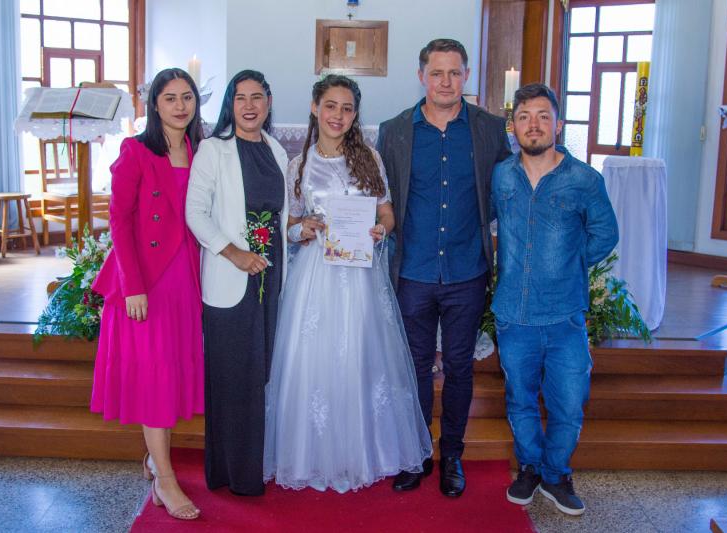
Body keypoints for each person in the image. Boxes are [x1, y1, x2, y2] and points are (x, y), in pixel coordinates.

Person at [263, 74, 432, 493]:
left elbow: (387, 214)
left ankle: (363, 451)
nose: (338, 115)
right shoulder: (298, 166)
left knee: (361, 358)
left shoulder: (369, 158)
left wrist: (381, 230)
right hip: (316, 278)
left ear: (356, 114)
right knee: (315, 361)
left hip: (361, 278)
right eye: (331, 106)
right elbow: (287, 225)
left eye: (347, 108)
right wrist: (307, 227)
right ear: (314, 107)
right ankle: (311, 454)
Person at [376, 38, 512, 497]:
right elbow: (380, 196)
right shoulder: (394, 130)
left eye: (454, 73)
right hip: (412, 269)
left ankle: (452, 453)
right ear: (421, 76)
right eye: (437, 73)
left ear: (466, 76)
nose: (445, 81)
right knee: (412, 366)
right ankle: (415, 455)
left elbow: (511, 189)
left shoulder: (490, 129)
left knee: (458, 366)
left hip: (466, 269)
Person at [491, 83, 618, 516]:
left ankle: (556, 474)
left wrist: (569, 265)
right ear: (513, 127)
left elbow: (606, 233)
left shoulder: (584, 179)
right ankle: (529, 467)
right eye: (524, 116)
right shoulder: (502, 175)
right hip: (513, 314)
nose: (534, 125)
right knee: (520, 400)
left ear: (558, 123)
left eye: (543, 116)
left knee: (568, 402)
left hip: (564, 316)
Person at [90, 68, 205, 520]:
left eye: (187, 97)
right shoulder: (136, 151)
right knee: (156, 378)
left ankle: (155, 461)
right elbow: (119, 220)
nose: (180, 105)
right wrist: (133, 285)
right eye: (170, 97)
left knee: (171, 374)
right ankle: (166, 477)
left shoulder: (200, 150)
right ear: (154, 104)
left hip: (187, 282)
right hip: (146, 284)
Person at [185, 70, 289, 496]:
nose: (249, 106)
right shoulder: (213, 150)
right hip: (231, 275)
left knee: (259, 374)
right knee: (231, 376)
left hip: (271, 275)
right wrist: (234, 253)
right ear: (230, 104)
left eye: (257, 97)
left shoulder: (278, 151)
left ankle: (254, 467)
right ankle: (229, 472)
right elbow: (196, 213)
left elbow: (284, 215)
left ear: (268, 103)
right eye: (241, 97)